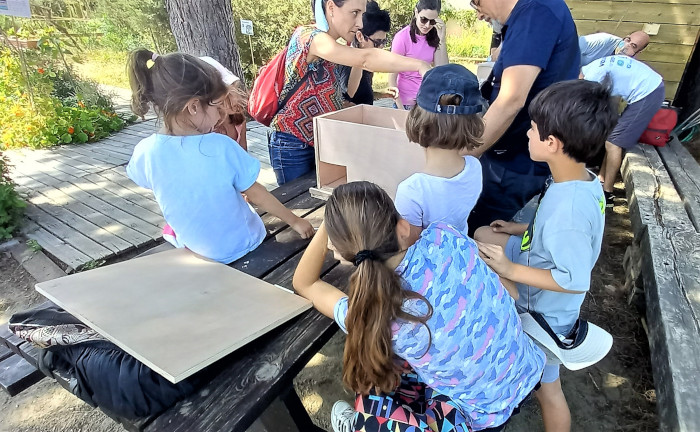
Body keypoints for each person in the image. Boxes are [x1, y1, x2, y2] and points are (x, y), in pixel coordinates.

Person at [293, 181, 545, 432]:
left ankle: (360, 425)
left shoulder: (371, 313)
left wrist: (331, 221)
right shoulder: (443, 235)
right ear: (402, 226)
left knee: (371, 392)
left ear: (341, 253)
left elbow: (305, 283)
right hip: (526, 368)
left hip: (480, 416)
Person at [474, 79, 619, 432]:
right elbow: (562, 236)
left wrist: (507, 268)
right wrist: (518, 229)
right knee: (482, 234)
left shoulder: (568, 211)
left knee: (547, 388)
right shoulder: (581, 180)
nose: (527, 134)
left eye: (533, 130)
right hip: (534, 266)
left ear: (552, 144)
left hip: (543, 315)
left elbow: (572, 279)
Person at [125, 50, 314, 264]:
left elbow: (152, 182)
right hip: (244, 243)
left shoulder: (145, 151)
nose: (221, 115)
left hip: (196, 249)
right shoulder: (220, 145)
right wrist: (295, 220)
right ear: (194, 106)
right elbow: (255, 193)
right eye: (217, 106)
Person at [269, 0, 432, 186]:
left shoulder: (335, 44)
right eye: (354, 12)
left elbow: (337, 90)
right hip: (293, 143)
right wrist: (419, 65)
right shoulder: (311, 38)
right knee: (299, 205)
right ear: (331, 8)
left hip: (322, 139)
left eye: (361, 14)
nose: (360, 23)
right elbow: (365, 59)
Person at [466, 0, 580, 236]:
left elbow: (511, 100)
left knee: (481, 231)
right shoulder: (532, 14)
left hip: (515, 162)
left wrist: (464, 157)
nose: (478, 14)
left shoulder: (535, 13)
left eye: (476, 3)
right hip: (521, 156)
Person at [394, 64, 485, 240]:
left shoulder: (412, 190)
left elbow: (409, 243)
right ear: (473, 123)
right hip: (462, 254)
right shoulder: (475, 167)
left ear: (416, 117)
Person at [581, 55, 665, 207]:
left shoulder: (591, 78)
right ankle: (601, 179)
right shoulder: (591, 68)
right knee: (611, 138)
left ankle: (607, 195)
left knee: (613, 143)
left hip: (648, 94)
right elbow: (613, 101)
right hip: (650, 88)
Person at [389, 0, 449, 109]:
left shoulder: (435, 37)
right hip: (406, 103)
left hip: (428, 102)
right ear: (416, 12)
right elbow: (392, 78)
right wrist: (400, 108)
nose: (427, 25)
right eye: (424, 19)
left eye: (432, 21)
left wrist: (442, 41)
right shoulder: (402, 38)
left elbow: (442, 71)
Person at [339, 0, 398, 106]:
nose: (381, 47)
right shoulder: (347, 63)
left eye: (384, 41)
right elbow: (347, 98)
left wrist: (381, 94)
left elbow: (361, 95)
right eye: (377, 42)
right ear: (360, 36)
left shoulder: (368, 61)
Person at [200, 56, 249, 150]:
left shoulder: (238, 120)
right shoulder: (205, 132)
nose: (235, 99)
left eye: (234, 89)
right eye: (227, 96)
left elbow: (243, 157)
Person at [578, 31, 650, 67]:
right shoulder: (601, 40)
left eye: (633, 46)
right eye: (628, 40)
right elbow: (569, 48)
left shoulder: (628, 63)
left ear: (638, 52)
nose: (627, 45)